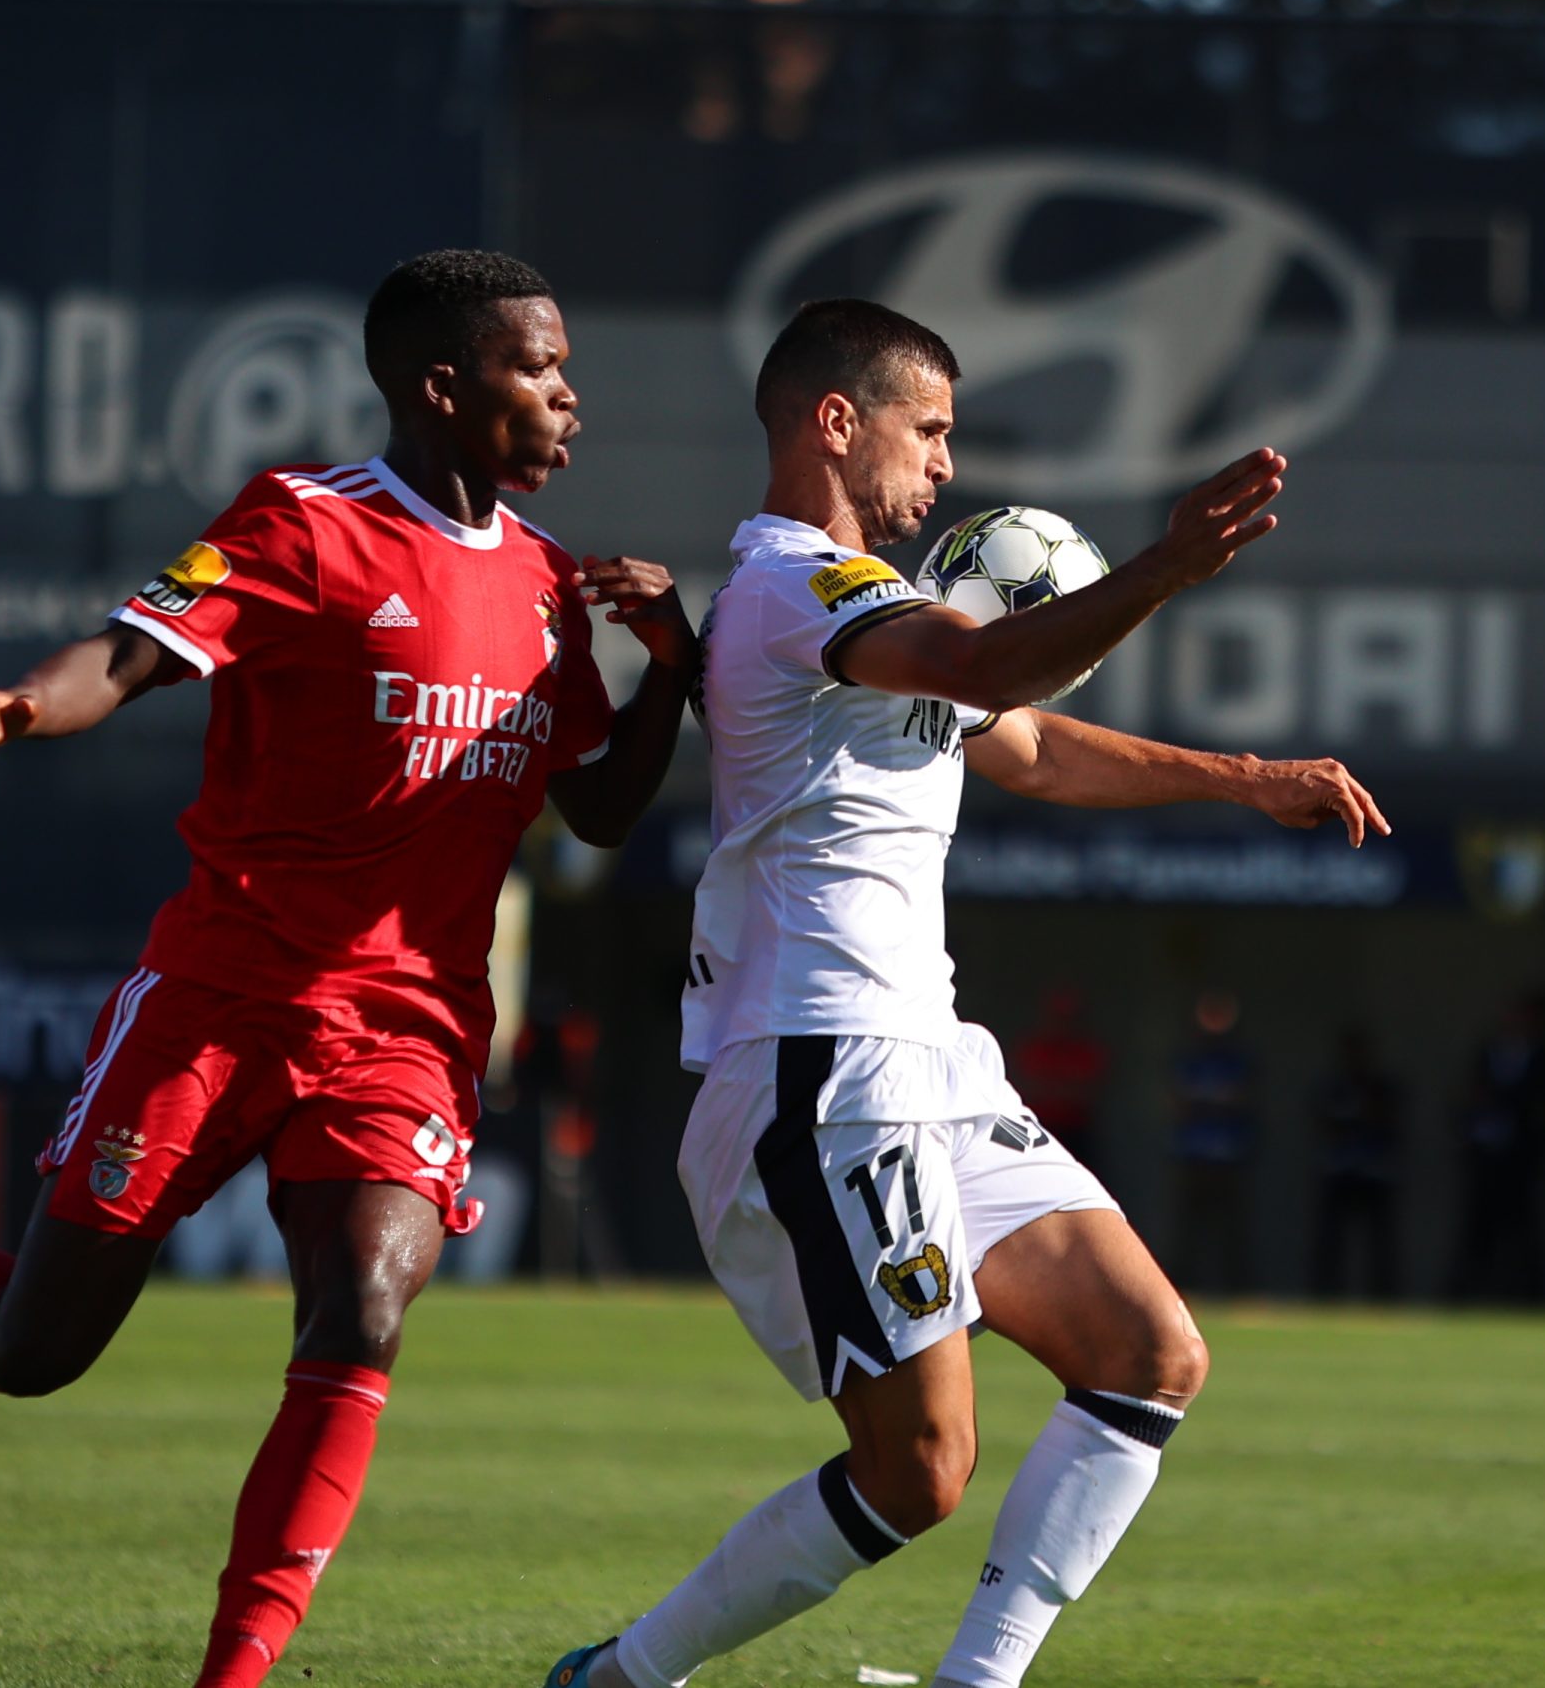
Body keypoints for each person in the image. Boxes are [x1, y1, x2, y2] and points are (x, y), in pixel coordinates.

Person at [0, 249, 701, 1688]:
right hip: (222, 997)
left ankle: (235, 1674)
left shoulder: (542, 582)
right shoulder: (303, 522)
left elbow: (594, 802)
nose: (569, 396)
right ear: (443, 385)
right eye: (542, 368)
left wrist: (667, 664)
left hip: (409, 1023)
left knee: (367, 1307)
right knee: (38, 1349)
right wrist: (32, 701)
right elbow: (133, 652)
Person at [545, 299, 1385, 1688]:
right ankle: (623, 1676)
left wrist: (1255, 780)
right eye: (928, 428)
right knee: (919, 1467)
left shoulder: (882, 612)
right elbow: (991, 664)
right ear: (836, 420)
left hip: (927, 1057)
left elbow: (1034, 743)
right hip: (819, 1066)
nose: (945, 465)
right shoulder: (790, 588)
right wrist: (1169, 563)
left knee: (1147, 1349)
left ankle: (975, 1684)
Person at [1453, 991, 1545, 1303]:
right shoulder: (1489, 1053)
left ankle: (1533, 1297)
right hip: (1487, 1153)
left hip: (1525, 1156)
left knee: (1526, 1229)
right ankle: (1468, 1295)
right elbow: (1470, 1096)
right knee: (1479, 1227)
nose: (1517, 1021)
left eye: (1524, 1016)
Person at [1169, 990, 1259, 1293]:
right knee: (1188, 1229)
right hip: (1194, 1154)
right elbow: (1178, 1102)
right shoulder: (1189, 1058)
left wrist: (1208, 1098)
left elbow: (1241, 1098)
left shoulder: (1237, 1059)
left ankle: (1238, 1291)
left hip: (1229, 1155)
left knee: (1232, 1229)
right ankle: (1180, 1288)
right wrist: (1214, 1097)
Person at [1308, 1025, 1400, 1301]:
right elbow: (1322, 1123)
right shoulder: (1333, 1086)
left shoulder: (1381, 1086)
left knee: (1379, 1240)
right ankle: (1326, 1294)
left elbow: (1389, 1121)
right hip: (1339, 1168)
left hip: (1374, 1170)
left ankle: (1383, 1295)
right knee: (1331, 1238)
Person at [1010, 985, 1109, 1182]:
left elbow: (1085, 1092)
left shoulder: (1085, 1050)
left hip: (1076, 1130)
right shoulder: (1035, 1048)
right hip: (1040, 1129)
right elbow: (1027, 1089)